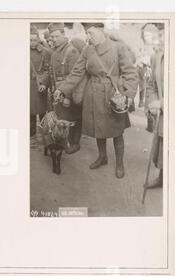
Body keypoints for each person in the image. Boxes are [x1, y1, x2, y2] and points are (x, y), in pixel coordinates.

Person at [54, 23, 138, 178]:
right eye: (86, 33)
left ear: (100, 31)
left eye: (90, 33)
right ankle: (102, 157)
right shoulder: (87, 50)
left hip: (113, 95)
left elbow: (131, 74)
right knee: (99, 129)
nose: (88, 37)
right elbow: (76, 73)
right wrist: (62, 89)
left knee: (116, 131)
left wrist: (129, 96)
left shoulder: (117, 47)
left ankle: (119, 163)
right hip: (93, 95)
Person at [47, 23, 82, 154]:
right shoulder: (55, 52)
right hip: (58, 92)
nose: (53, 39)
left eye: (56, 36)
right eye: (51, 37)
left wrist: (67, 96)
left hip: (70, 93)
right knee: (62, 117)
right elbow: (52, 74)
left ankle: (75, 143)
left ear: (63, 34)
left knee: (73, 118)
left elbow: (76, 76)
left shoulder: (71, 51)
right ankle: (64, 140)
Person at [144, 26, 164, 188]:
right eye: (160, 35)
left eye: (163, 35)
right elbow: (151, 84)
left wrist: (163, 102)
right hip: (164, 114)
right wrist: (153, 101)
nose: (160, 39)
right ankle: (162, 177)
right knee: (163, 144)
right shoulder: (157, 57)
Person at [30, 32, 51, 138]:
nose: (32, 43)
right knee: (30, 109)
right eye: (29, 40)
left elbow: (48, 70)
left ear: (38, 39)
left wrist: (44, 83)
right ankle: (31, 131)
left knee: (42, 109)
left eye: (34, 40)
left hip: (40, 84)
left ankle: (44, 131)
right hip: (29, 85)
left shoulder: (45, 52)